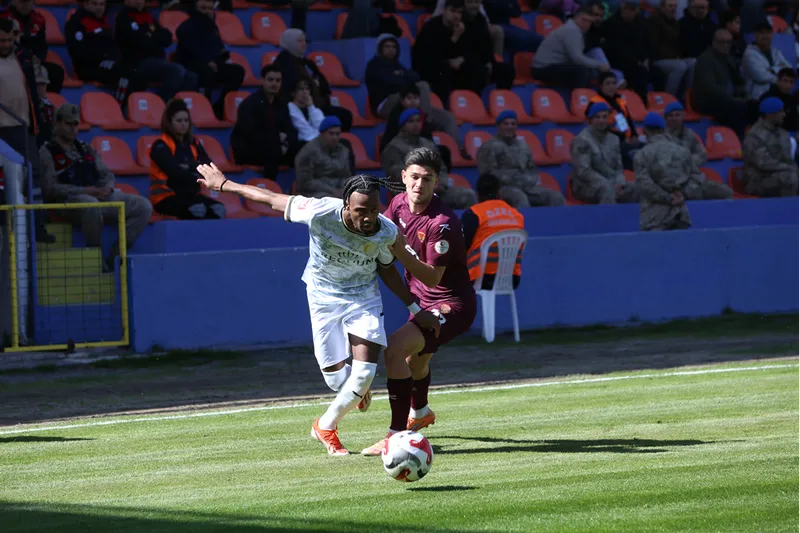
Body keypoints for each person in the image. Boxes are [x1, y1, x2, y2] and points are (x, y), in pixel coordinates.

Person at [194, 165, 441, 455]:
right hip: (323, 298)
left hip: (363, 299)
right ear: (346, 205)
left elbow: (386, 270)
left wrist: (414, 307)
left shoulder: (386, 231)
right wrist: (225, 185)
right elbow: (270, 198)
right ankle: (352, 390)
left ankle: (325, 426)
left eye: (374, 210)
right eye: (361, 210)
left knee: (364, 374)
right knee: (337, 381)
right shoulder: (320, 211)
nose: (368, 217)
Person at [362, 147, 478, 456]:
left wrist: (399, 250)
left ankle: (396, 435)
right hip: (422, 305)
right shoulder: (398, 204)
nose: (419, 184)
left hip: (451, 305)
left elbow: (432, 278)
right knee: (414, 362)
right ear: (403, 176)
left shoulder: (442, 223)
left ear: (437, 182)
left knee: (395, 350)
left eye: (427, 179)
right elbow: (379, 235)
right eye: (414, 177)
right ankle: (421, 412)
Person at [39, 104, 152, 271]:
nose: (73, 128)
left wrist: (108, 188)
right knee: (92, 205)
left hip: (98, 195)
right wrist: (86, 191)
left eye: (75, 124)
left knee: (143, 206)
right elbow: (50, 189)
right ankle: (95, 255)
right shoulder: (47, 151)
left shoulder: (86, 148)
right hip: (68, 202)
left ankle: (116, 255)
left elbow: (107, 174)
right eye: (68, 124)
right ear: (57, 124)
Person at [149, 98, 225, 219]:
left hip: (191, 195)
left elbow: (209, 168)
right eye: (179, 121)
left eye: (186, 120)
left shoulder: (193, 143)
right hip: (165, 198)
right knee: (197, 209)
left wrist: (188, 166)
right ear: (169, 122)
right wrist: (194, 167)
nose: (183, 124)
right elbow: (175, 173)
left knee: (219, 209)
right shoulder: (160, 145)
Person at [462, 173, 524, 290]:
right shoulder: (517, 215)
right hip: (511, 278)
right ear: (498, 193)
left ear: (477, 195)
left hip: (481, 278)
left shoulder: (474, 214)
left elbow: (461, 246)